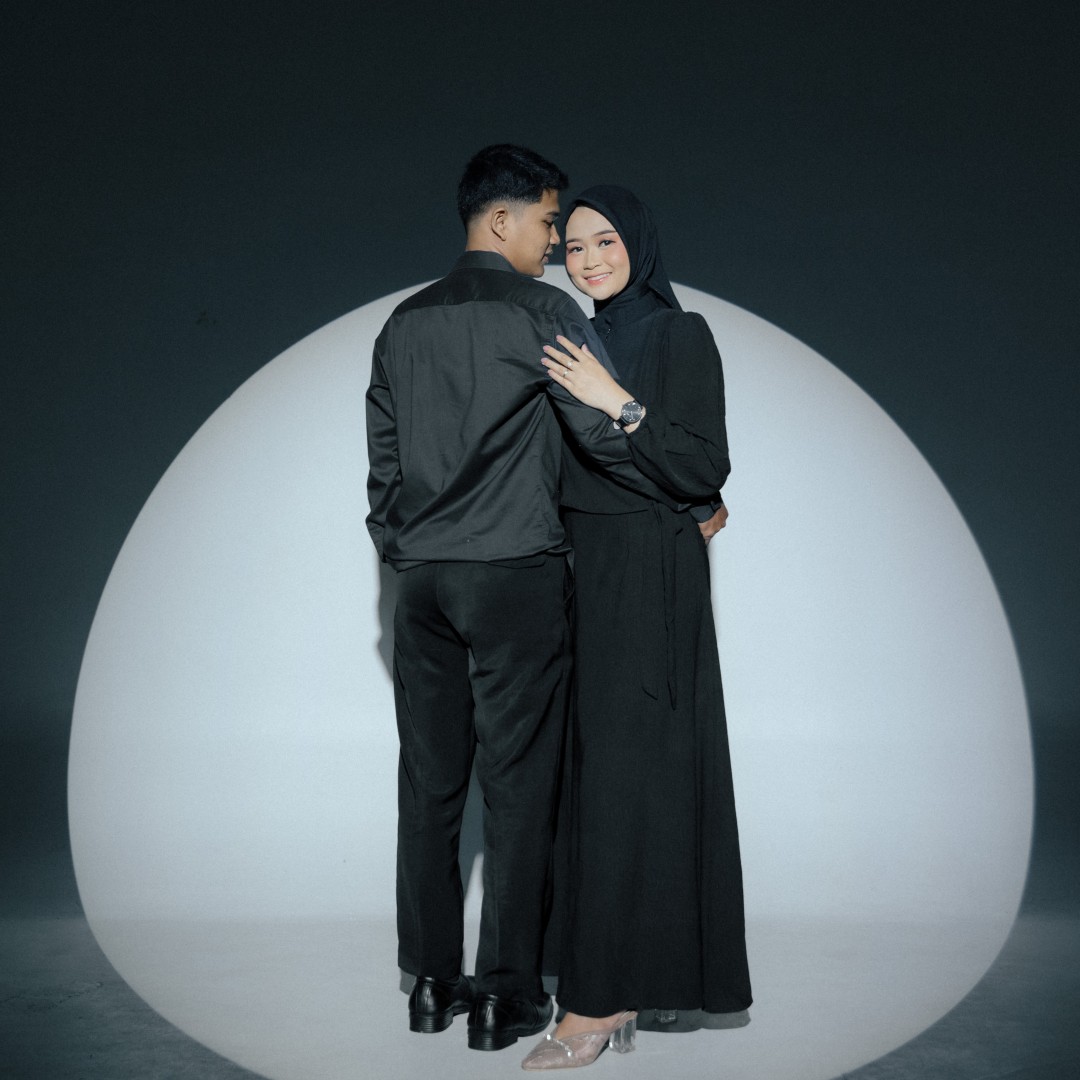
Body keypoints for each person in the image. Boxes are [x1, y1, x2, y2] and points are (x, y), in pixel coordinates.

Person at [365, 149, 667, 1053]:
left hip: (421, 583)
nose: (555, 242)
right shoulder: (541, 310)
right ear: (501, 221)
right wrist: (676, 482)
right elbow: (596, 434)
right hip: (514, 574)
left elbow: (384, 461)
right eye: (546, 221)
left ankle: (430, 985)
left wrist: (404, 547)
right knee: (519, 785)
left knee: (429, 784)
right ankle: (505, 995)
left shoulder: (402, 322)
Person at [522, 185, 752, 1070]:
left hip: (650, 577)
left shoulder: (679, 334)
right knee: (594, 781)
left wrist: (615, 399)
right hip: (583, 572)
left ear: (640, 244)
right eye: (574, 247)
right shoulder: (572, 339)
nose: (588, 260)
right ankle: (611, 979)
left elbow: (702, 460)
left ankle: (597, 1001)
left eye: (606, 241)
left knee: (632, 779)